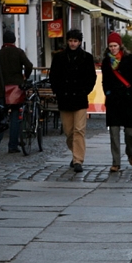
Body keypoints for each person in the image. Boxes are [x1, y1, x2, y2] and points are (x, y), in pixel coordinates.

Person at [49, 29, 97, 173]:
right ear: (67, 41)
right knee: (69, 131)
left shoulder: (87, 58)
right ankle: (75, 152)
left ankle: (78, 160)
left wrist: (85, 90)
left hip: (80, 98)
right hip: (65, 98)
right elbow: (53, 77)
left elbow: (92, 77)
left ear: (80, 42)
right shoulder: (59, 58)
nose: (73, 43)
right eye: (70, 41)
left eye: (75, 41)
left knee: (79, 130)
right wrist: (58, 91)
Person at [101, 32, 132, 172]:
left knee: (129, 133)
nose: (113, 48)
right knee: (114, 133)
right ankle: (116, 162)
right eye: (110, 46)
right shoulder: (106, 61)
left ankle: (130, 152)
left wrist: (131, 91)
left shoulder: (129, 59)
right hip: (113, 100)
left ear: (120, 46)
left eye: (115, 46)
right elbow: (105, 81)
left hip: (127, 100)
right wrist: (107, 92)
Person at [0, 30, 33, 153]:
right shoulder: (18, 52)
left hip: (1, 89)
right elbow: (29, 65)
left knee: (0, 117)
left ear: (3, 40)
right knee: (15, 117)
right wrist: (24, 76)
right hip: (16, 89)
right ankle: (12, 145)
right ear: (14, 40)